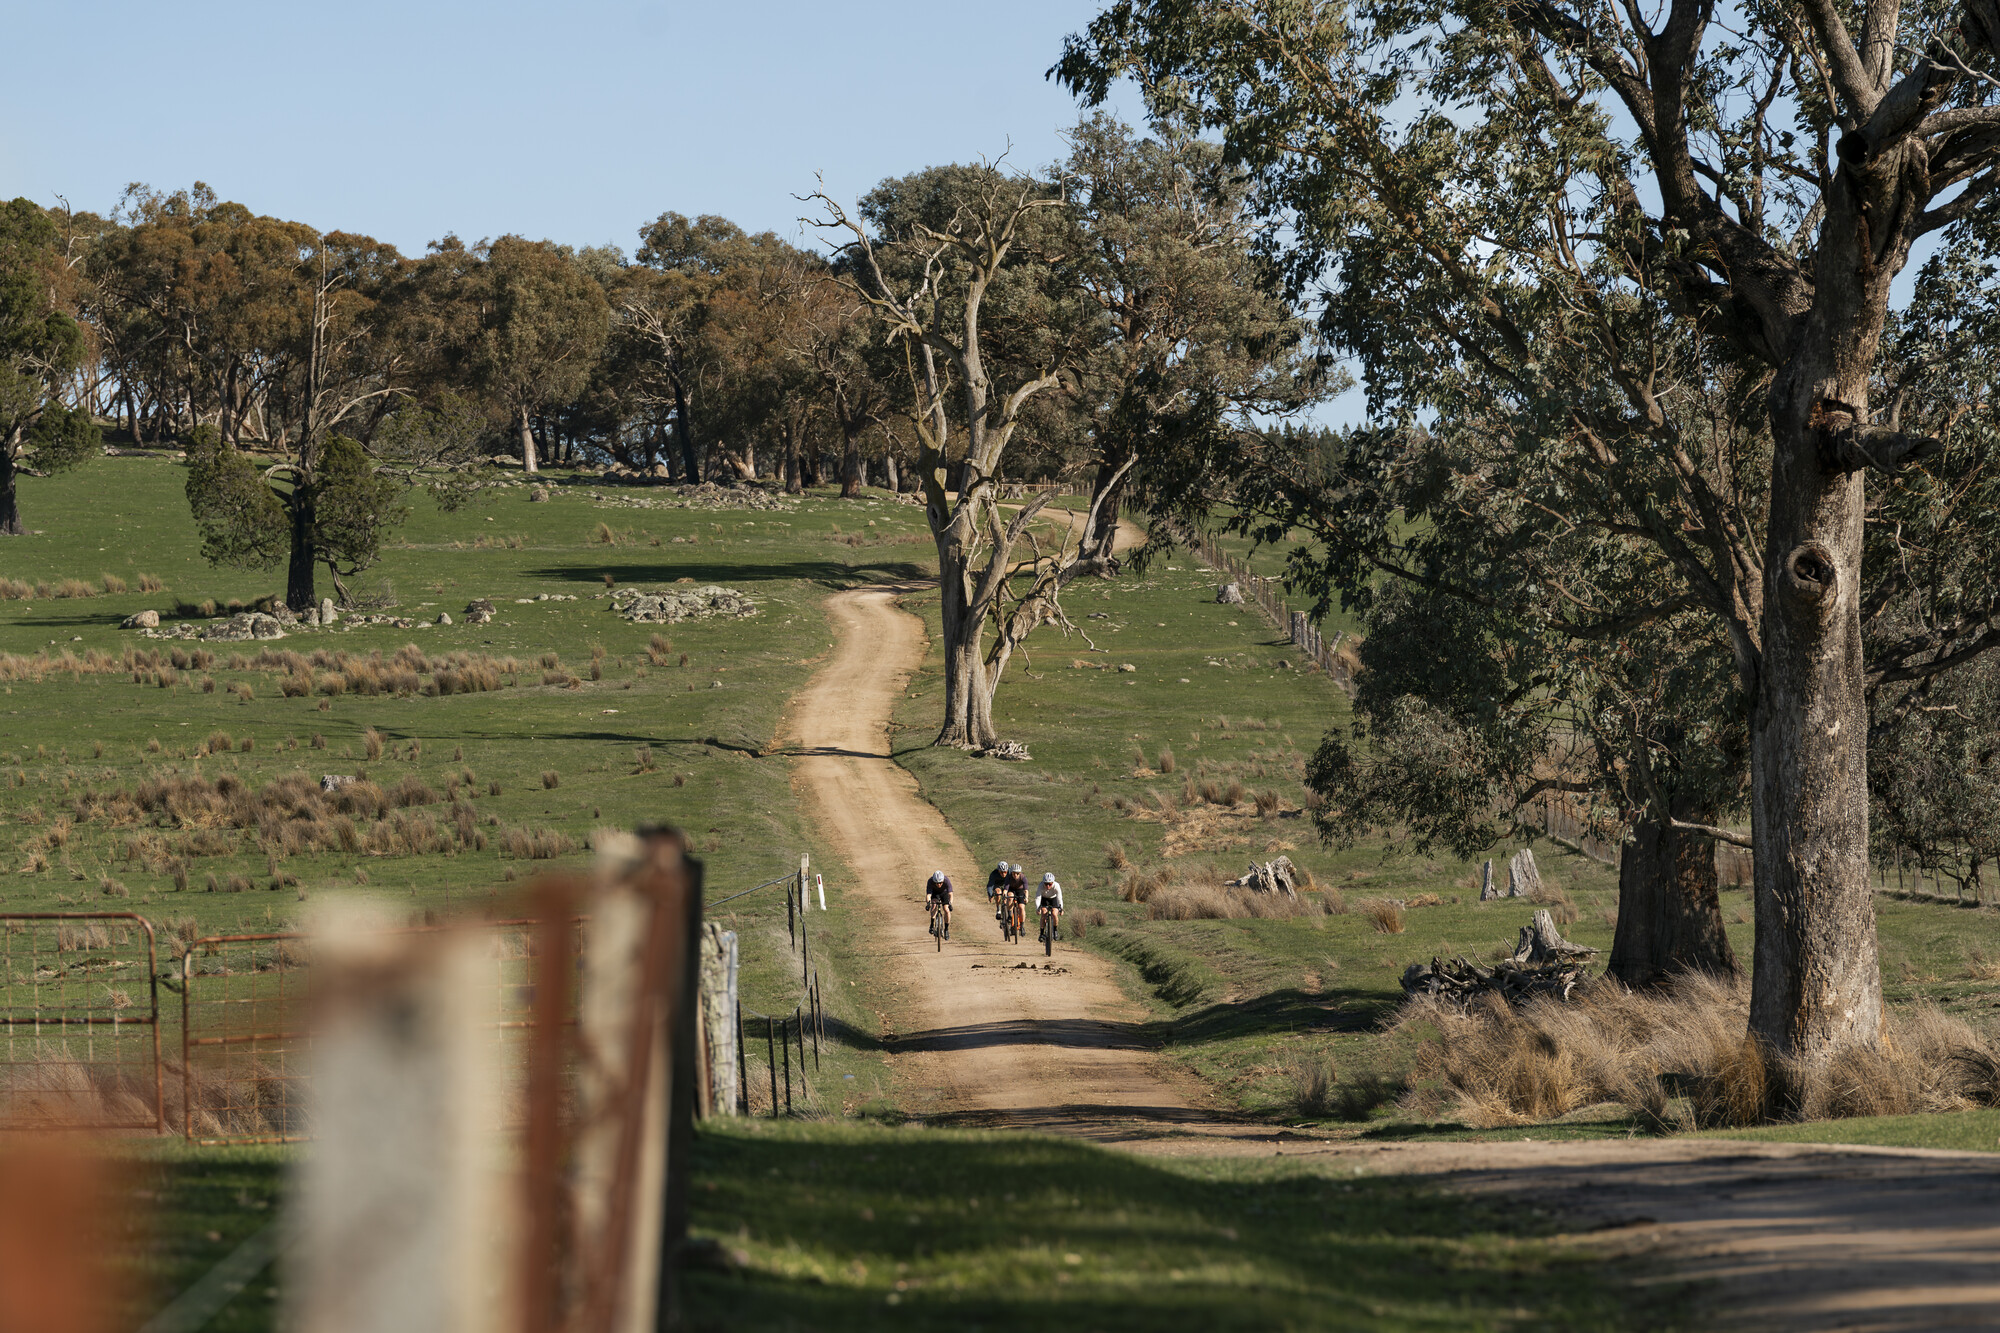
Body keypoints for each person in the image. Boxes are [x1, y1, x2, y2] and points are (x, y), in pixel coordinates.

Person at [925, 869, 953, 939]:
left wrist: (950, 904)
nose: (939, 884)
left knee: (946, 910)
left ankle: (946, 929)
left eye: (940, 883)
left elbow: (950, 894)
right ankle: (931, 925)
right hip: (935, 894)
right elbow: (928, 895)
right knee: (934, 905)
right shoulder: (930, 881)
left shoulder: (946, 880)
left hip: (944, 893)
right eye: (937, 883)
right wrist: (928, 903)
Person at [1036, 872, 1064, 940]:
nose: (1048, 886)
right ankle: (1041, 933)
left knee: (1054, 914)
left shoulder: (1056, 886)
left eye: (1050, 884)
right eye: (1046, 884)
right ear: (1043, 883)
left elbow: (1059, 898)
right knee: (1043, 913)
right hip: (1044, 899)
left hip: (1054, 899)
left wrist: (1061, 908)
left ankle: (1055, 930)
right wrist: (1037, 908)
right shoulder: (1040, 886)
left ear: (1053, 883)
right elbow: (1038, 897)